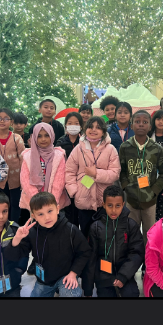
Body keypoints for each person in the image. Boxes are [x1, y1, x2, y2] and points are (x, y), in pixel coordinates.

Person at [64, 116, 120, 295]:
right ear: (85, 129)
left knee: (105, 241)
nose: (93, 130)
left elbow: (114, 174)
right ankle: (86, 280)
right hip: (84, 201)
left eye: (98, 127)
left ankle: (105, 277)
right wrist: (74, 192)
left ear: (104, 131)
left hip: (105, 203)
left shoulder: (111, 149)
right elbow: (69, 171)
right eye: (90, 127)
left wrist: (96, 173)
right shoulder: (79, 149)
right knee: (86, 240)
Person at [6, 192, 90, 297]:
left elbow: (84, 252)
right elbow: (13, 256)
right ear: (34, 216)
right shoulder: (31, 232)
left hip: (66, 276)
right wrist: (17, 239)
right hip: (44, 280)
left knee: (71, 295)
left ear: (57, 209)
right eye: (40, 214)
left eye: (50, 211)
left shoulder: (71, 230)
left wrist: (73, 273)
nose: (47, 217)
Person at [88, 185, 144, 297]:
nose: (114, 210)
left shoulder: (131, 225)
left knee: (132, 294)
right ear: (103, 205)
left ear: (123, 204)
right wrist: (88, 288)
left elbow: (137, 253)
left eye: (118, 206)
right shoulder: (95, 227)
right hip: (103, 274)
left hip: (124, 272)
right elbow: (91, 257)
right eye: (110, 205)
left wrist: (123, 276)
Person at [117, 110, 163, 234]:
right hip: (131, 200)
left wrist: (154, 191)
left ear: (150, 127)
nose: (141, 124)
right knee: (131, 234)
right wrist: (126, 186)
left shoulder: (156, 148)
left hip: (150, 201)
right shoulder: (125, 147)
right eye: (137, 122)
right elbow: (121, 171)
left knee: (150, 234)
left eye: (145, 122)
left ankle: (148, 254)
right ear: (132, 125)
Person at [19, 123, 69, 231]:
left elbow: (59, 181)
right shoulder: (28, 156)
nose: (43, 139)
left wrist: (50, 203)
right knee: (37, 232)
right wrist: (38, 202)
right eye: (39, 136)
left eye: (46, 135)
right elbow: (25, 180)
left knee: (55, 230)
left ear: (52, 136)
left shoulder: (59, 155)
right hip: (33, 202)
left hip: (54, 202)